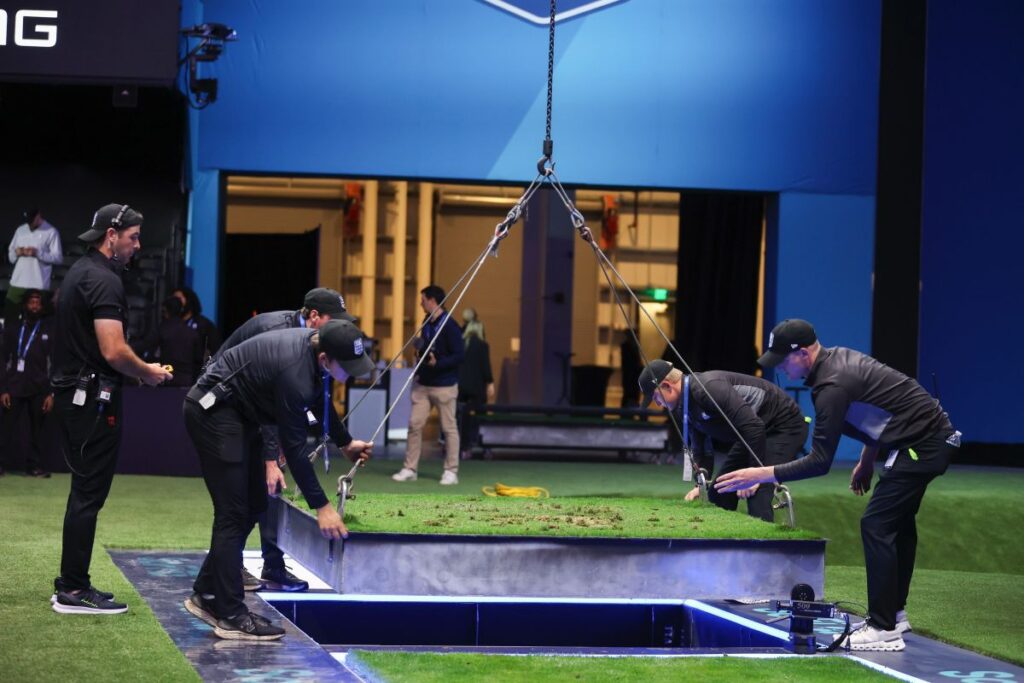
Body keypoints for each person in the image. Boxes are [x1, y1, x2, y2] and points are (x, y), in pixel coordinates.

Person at [715, 319, 959, 652]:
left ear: (802, 353)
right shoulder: (836, 362)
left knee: (877, 524)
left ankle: (884, 628)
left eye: (783, 360)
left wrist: (760, 474)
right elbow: (884, 411)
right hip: (923, 439)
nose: (781, 369)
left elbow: (819, 461)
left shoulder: (832, 386)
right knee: (897, 523)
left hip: (926, 444)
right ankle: (894, 614)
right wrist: (866, 459)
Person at [182, 320, 373, 640]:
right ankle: (229, 614)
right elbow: (296, 452)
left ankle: (207, 591)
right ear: (325, 358)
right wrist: (322, 507)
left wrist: (345, 442)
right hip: (212, 413)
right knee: (232, 513)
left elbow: (320, 401)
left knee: (255, 503)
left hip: (240, 415)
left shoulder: (313, 353)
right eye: (349, 366)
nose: (354, 373)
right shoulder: (294, 373)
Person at [50, 204, 173, 615]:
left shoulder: (82, 273)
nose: (137, 246)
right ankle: (73, 589)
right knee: (88, 493)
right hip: (91, 402)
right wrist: (148, 372)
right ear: (111, 235)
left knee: (84, 492)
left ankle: (70, 584)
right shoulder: (103, 281)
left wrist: (133, 372)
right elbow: (114, 350)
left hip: (79, 395)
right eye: (133, 237)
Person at [212, 287, 355, 593]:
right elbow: (255, 395)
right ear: (314, 316)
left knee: (266, 494)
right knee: (245, 497)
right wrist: (269, 458)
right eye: (334, 320)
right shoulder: (277, 333)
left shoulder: (313, 344)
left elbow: (318, 399)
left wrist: (344, 441)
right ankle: (229, 570)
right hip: (224, 407)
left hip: (253, 411)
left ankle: (270, 565)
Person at [638, 359, 806, 522]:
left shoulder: (708, 388)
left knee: (757, 493)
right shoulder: (683, 406)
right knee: (719, 492)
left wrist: (756, 475)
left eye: (655, 397)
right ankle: (725, 548)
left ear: (667, 386)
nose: (658, 404)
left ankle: (764, 550)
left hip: (783, 426)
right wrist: (701, 483)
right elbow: (701, 446)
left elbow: (754, 426)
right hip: (752, 434)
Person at [393, 285, 465, 485]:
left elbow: (459, 355)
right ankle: (410, 468)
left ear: (432, 300)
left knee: (449, 428)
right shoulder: (426, 322)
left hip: (445, 385)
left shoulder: (449, 325)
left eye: (423, 299)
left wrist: (438, 363)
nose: (420, 303)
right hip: (423, 385)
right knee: (414, 425)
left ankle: (451, 471)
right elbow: (425, 349)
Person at [0, 289, 54, 477]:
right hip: (14, 386)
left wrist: (50, 393)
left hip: (39, 388)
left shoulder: (48, 329)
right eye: (31, 302)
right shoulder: (13, 329)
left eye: (38, 303)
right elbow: (3, 359)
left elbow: (52, 363)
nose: (34, 306)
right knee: (5, 429)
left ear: (42, 306)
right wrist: (3, 389)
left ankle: (34, 466)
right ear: (25, 305)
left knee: (38, 431)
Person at [5, 208, 63, 320]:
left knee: (38, 319)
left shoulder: (51, 231)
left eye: (32, 220)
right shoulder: (20, 230)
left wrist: (38, 253)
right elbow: (11, 254)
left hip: (38, 283)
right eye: (28, 221)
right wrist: (17, 252)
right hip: (18, 281)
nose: (29, 223)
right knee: (10, 314)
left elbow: (58, 258)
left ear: (38, 216)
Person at [134, 296, 203, 387]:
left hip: (167, 377)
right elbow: (198, 360)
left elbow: (145, 346)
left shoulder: (163, 329)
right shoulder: (192, 333)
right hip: (187, 380)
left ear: (165, 310)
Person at [457, 311, 494, 459]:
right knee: (479, 416)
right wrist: (490, 382)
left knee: (462, 417)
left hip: (461, 387)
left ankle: (464, 447)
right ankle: (482, 445)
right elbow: (486, 367)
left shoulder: (461, 344)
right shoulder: (482, 345)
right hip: (476, 388)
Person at [172, 286, 222, 362]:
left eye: (178, 299)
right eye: (173, 300)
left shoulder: (204, 325)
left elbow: (216, 350)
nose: (175, 303)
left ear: (189, 300)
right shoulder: (170, 325)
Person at [620, 331, 643, 410]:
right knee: (630, 394)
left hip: (632, 376)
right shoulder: (628, 346)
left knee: (632, 394)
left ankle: (628, 411)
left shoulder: (633, 346)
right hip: (630, 375)